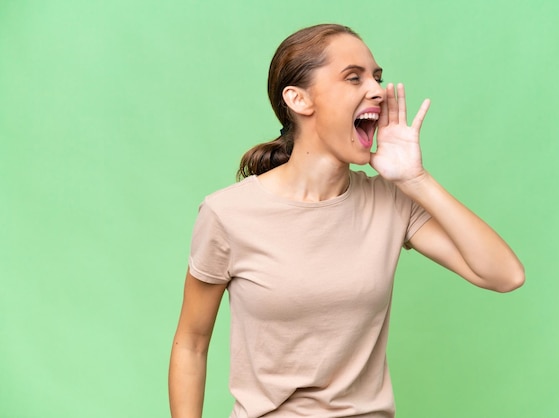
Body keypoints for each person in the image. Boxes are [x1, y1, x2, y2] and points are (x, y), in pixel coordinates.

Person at [168, 23, 524, 418]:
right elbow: (191, 342)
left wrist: (416, 180)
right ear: (299, 99)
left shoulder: (390, 201)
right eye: (353, 77)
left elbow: (504, 275)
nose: (376, 89)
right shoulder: (227, 214)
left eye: (377, 77)